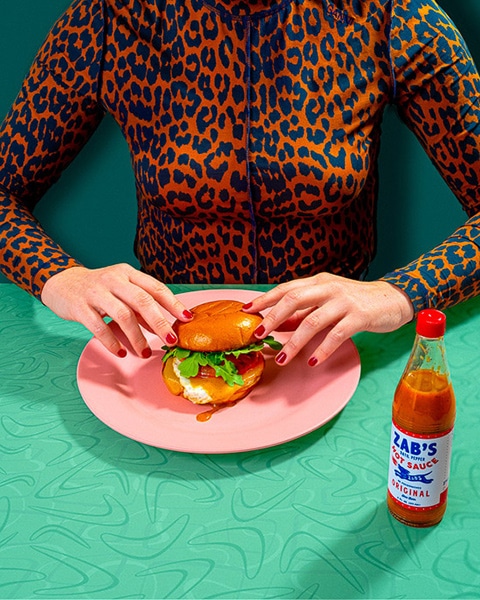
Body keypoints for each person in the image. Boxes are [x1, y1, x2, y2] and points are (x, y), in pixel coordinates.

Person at [0, 0, 479, 368]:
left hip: (331, 345)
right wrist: (57, 276)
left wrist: (399, 293)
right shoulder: (109, 19)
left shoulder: (390, 13)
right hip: (165, 342)